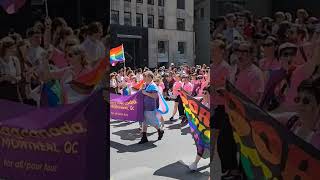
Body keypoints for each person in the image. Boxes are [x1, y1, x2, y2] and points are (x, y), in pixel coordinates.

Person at [139, 71, 164, 144]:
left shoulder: (153, 85)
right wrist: (142, 89)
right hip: (144, 106)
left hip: (150, 106)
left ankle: (160, 130)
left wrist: (145, 92)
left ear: (150, 77)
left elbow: (155, 96)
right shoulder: (146, 84)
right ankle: (144, 137)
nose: (144, 78)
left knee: (152, 121)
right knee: (144, 121)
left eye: (145, 76)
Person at [188, 86, 210, 171]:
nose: (203, 94)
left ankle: (195, 163)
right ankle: (195, 163)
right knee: (201, 145)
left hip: (210, 130)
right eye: (203, 93)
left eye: (206, 93)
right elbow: (190, 99)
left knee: (210, 146)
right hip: (202, 129)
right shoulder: (201, 101)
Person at [0, 37, 22, 102]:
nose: (14, 50)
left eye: (14, 48)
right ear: (5, 49)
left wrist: (15, 79)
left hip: (14, 91)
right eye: (11, 48)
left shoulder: (15, 60)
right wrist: (3, 78)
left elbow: (19, 76)